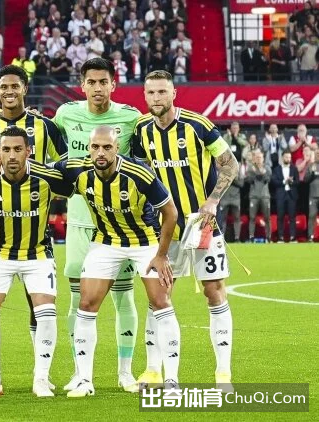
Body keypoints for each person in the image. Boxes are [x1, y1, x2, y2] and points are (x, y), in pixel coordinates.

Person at [132, 70, 239, 392]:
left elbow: (230, 164)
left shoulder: (198, 125)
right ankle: (153, 370)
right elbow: (138, 173)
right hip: (165, 229)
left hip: (201, 225)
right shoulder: (141, 130)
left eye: (162, 92)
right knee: (158, 297)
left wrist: (213, 200)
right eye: (151, 93)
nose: (156, 98)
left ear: (173, 93)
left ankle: (223, 374)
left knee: (214, 291)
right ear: (145, 95)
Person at [0, 64, 67, 393]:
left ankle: (42, 376)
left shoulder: (45, 126)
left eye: (15, 86)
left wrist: (42, 169)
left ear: (25, 88)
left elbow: (65, 167)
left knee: (40, 307)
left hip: (37, 235)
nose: (9, 91)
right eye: (4, 86)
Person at [54, 125, 179, 396]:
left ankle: (172, 382)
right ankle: (85, 381)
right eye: (95, 147)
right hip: (106, 242)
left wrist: (161, 255)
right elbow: (42, 172)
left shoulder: (138, 174)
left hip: (145, 241)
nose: (101, 152)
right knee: (86, 304)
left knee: (161, 303)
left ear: (117, 148)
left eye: (107, 147)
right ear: (88, 148)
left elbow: (170, 212)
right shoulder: (77, 169)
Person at [52, 58, 142, 392]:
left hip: (119, 224)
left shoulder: (131, 118)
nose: (97, 88)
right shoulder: (65, 114)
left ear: (113, 84)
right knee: (78, 300)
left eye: (103, 81)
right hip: (79, 221)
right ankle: (80, 372)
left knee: (123, 297)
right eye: (91, 82)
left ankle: (125, 372)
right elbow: (43, 139)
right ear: (82, 85)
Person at [272, 151, 299, 242]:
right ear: (283, 158)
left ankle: (293, 237)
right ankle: (280, 237)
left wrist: (291, 182)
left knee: (292, 217)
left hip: (291, 195)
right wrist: (284, 181)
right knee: (280, 217)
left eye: (289, 157)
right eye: (286, 157)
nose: (288, 159)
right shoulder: (276, 169)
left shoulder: (294, 169)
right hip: (280, 195)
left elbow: (297, 182)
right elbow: (274, 181)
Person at [246, 150, 272, 242]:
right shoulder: (250, 168)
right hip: (254, 196)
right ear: (254, 159)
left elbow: (267, 180)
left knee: (267, 218)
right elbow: (249, 180)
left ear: (263, 158)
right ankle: (251, 237)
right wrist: (255, 174)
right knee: (252, 217)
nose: (259, 159)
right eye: (257, 158)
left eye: (260, 157)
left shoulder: (267, 168)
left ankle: (268, 237)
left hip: (265, 196)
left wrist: (262, 173)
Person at [305, 149, 319, 242]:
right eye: (317, 153)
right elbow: (306, 179)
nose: (318, 155)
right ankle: (310, 236)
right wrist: (312, 173)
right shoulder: (311, 166)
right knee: (311, 216)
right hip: (313, 196)